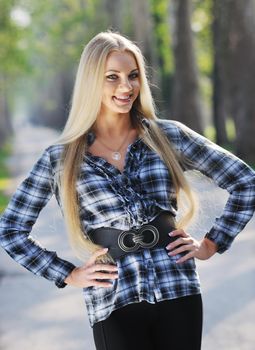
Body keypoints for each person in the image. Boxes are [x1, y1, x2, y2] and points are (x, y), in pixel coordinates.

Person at [0, 31, 255, 350]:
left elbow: (246, 182)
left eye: (133, 76)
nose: (126, 86)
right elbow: (10, 230)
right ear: (92, 81)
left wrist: (211, 244)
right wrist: (68, 274)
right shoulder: (61, 158)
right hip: (113, 299)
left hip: (178, 289)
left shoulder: (168, 136)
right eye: (112, 77)